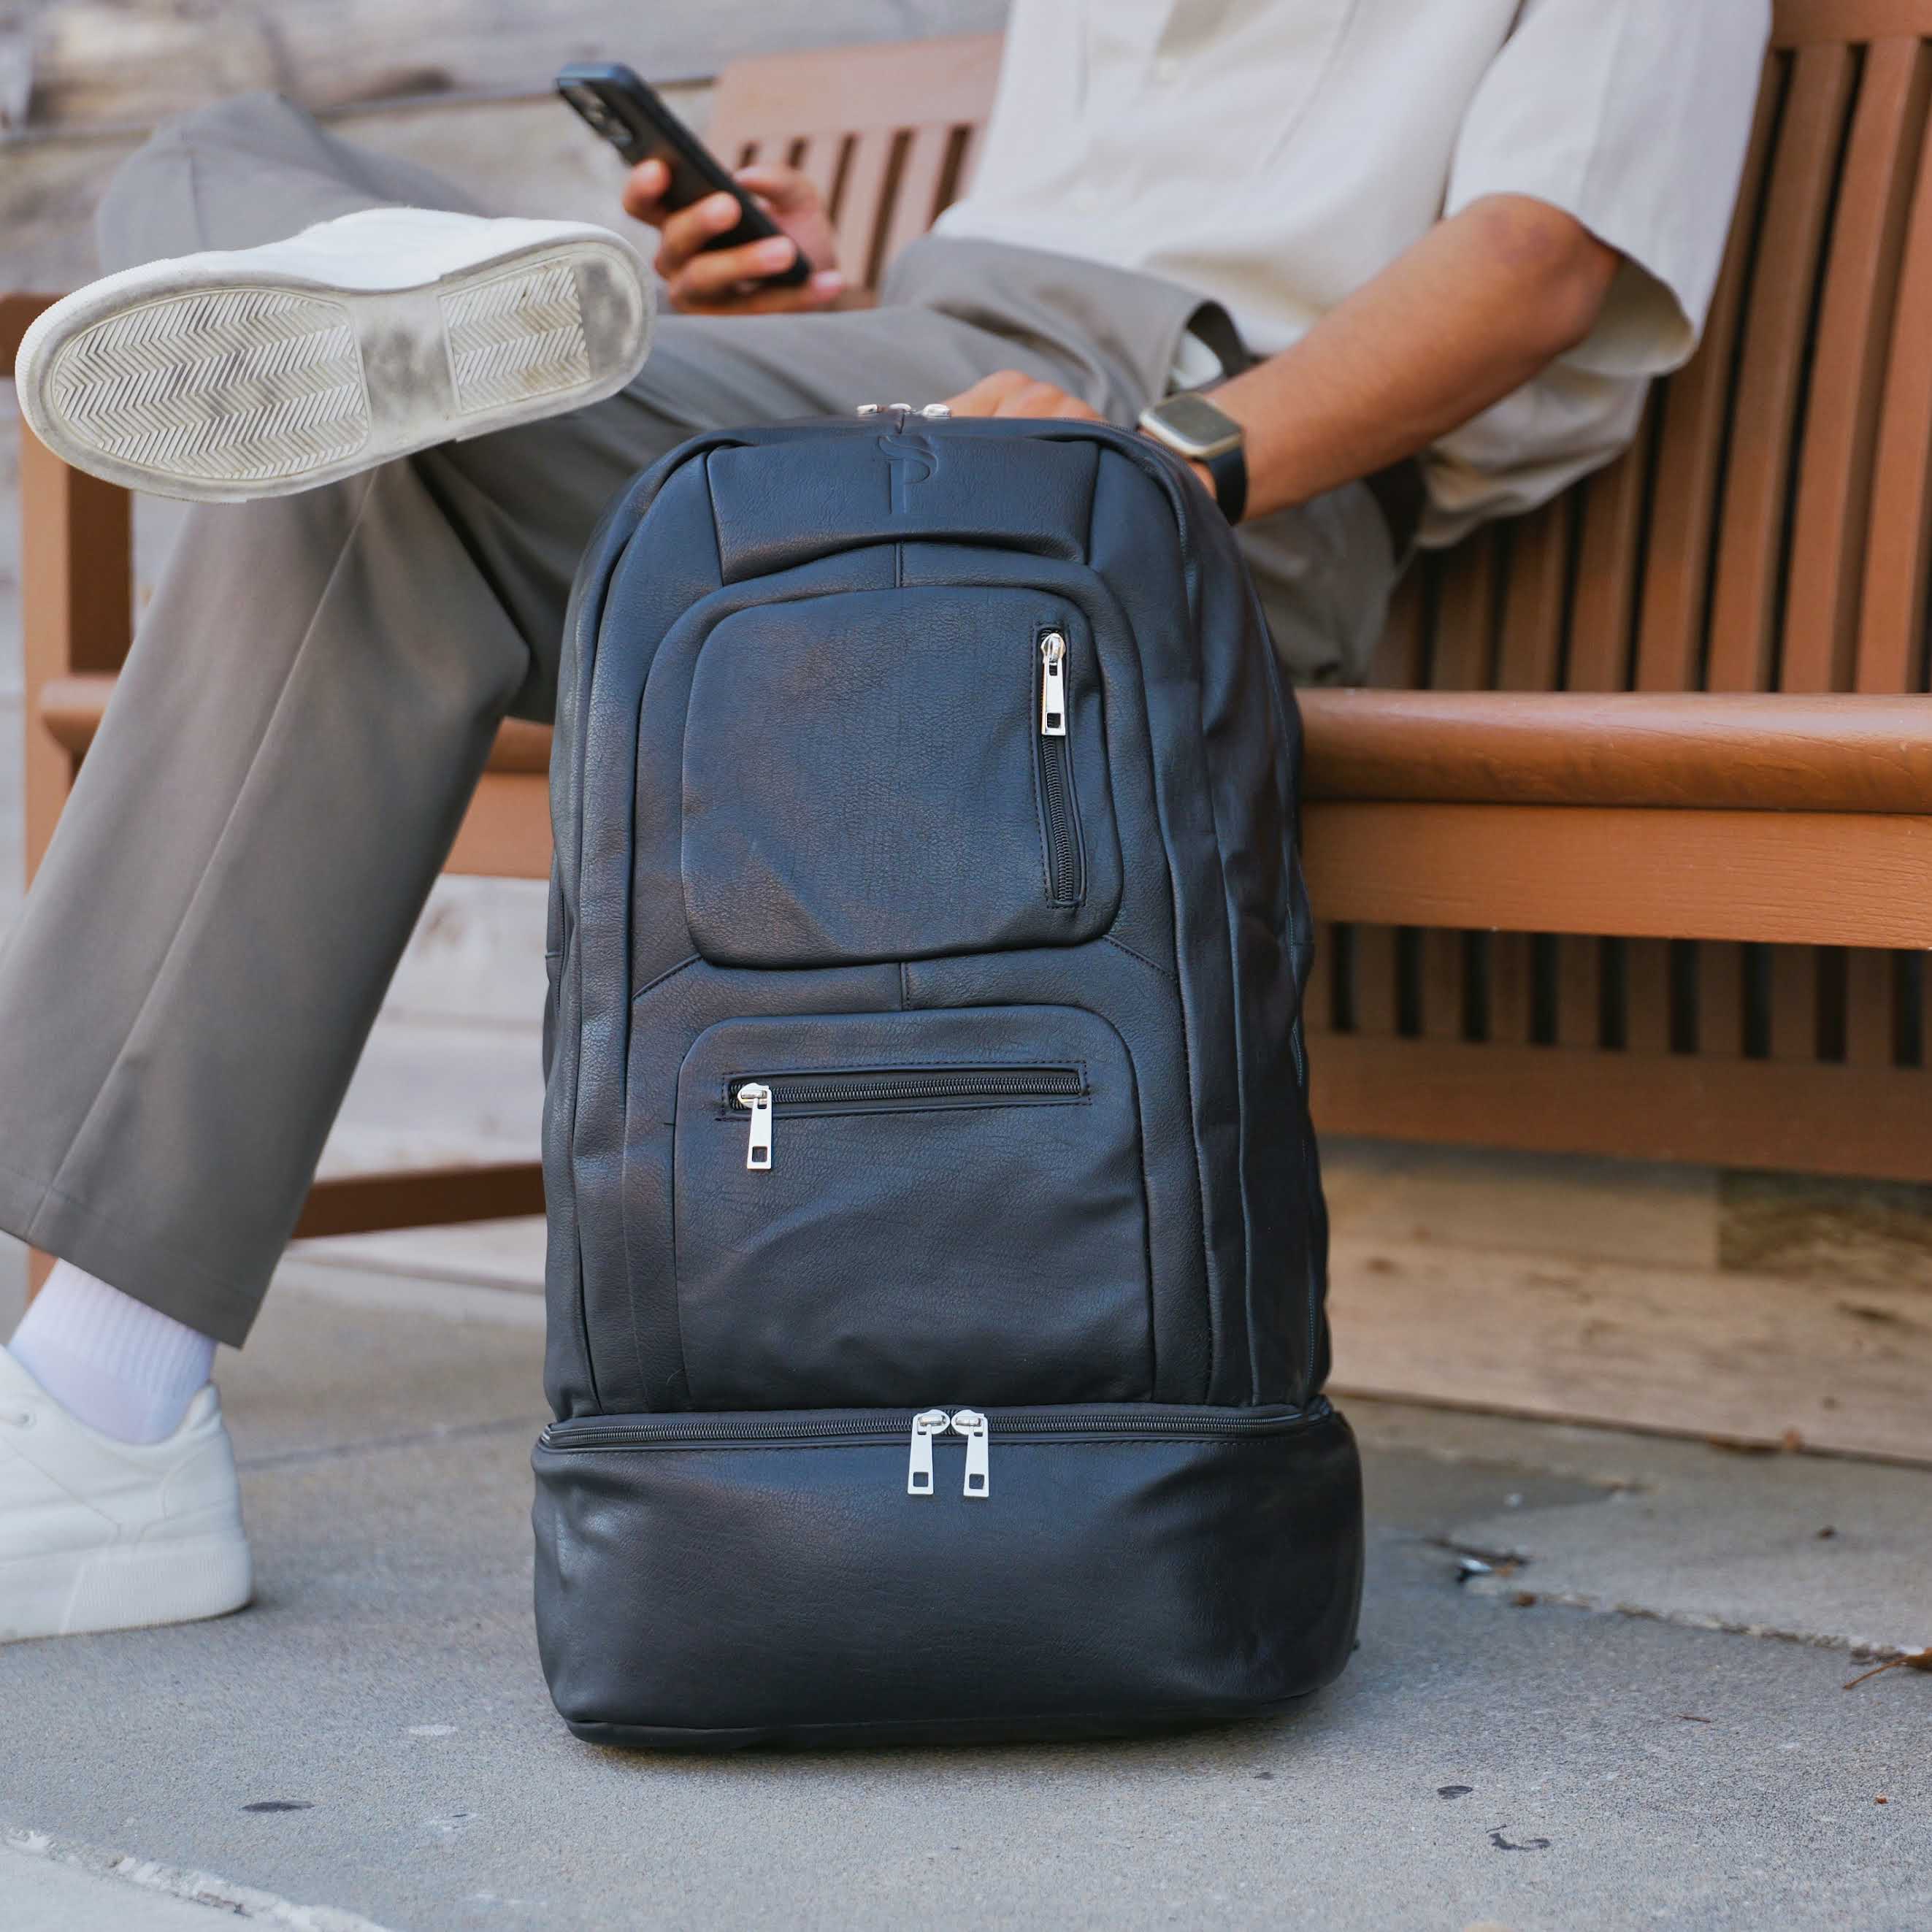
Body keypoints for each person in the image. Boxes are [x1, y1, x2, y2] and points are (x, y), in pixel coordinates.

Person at [0, 0, 1771, 1641]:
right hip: (916, 375)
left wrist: (1150, 456)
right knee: (212, 155)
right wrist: (803, 305)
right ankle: (435, 309)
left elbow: (1548, 258)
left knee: (379, 448)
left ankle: (99, 1388)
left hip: (1201, 466)